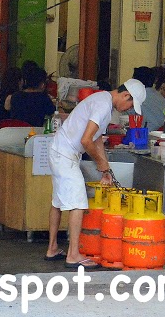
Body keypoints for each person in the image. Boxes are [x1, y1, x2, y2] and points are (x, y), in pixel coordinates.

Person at [43, 79, 142, 268]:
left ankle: (52, 248)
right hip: (65, 154)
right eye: (130, 104)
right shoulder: (103, 105)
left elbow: (96, 141)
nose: (128, 109)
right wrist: (101, 164)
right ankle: (73, 255)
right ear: (126, 95)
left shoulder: (102, 101)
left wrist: (105, 169)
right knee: (79, 203)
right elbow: (87, 140)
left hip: (60, 150)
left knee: (57, 201)